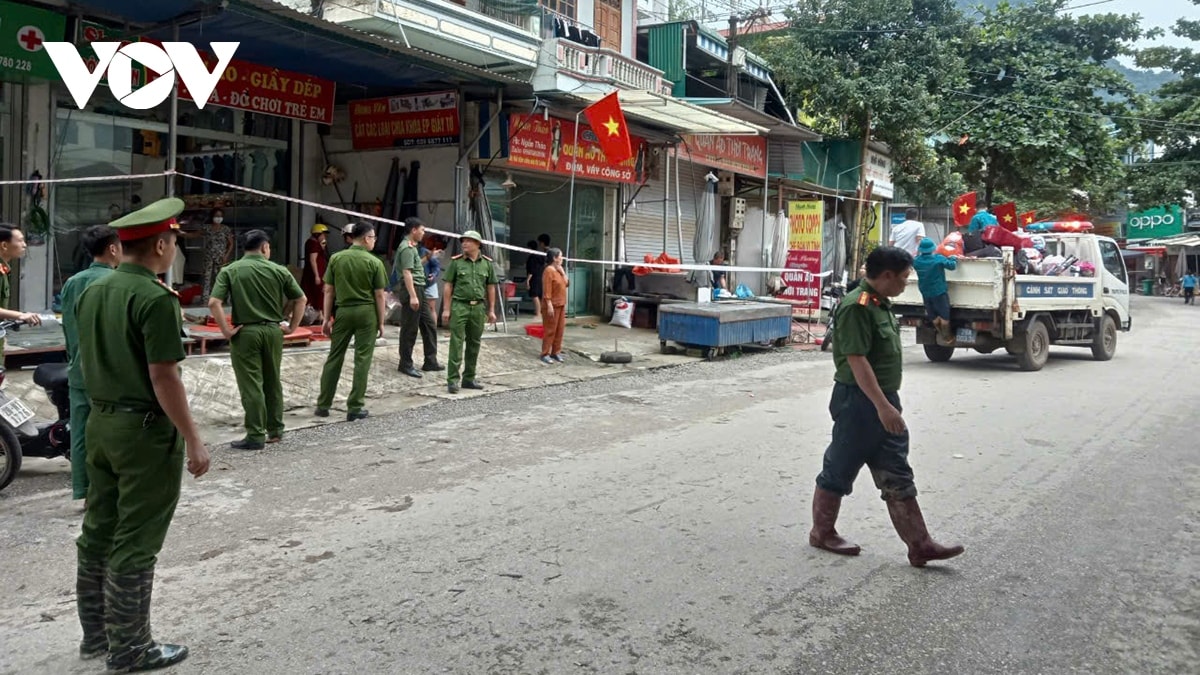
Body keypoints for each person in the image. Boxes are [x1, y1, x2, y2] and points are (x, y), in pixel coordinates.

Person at [74, 197, 211, 671]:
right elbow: (164, 377)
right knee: (136, 537)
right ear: (160, 243)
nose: (173, 250)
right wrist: (192, 437)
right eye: (173, 242)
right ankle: (131, 648)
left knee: (98, 530)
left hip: (99, 424)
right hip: (143, 430)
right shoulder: (153, 298)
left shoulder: (93, 290)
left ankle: (96, 637)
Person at [809, 246, 964, 568]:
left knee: (896, 468)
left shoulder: (879, 304)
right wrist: (882, 407)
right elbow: (857, 360)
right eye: (905, 277)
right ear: (888, 275)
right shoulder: (857, 307)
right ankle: (822, 532)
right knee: (840, 465)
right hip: (860, 401)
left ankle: (920, 544)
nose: (907, 284)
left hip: (882, 400)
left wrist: (887, 405)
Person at [208, 230, 306, 450]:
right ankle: (276, 431)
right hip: (273, 331)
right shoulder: (279, 270)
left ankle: (255, 435)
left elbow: (214, 302)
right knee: (273, 381)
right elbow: (301, 298)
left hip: (246, 333)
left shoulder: (230, 270)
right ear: (264, 248)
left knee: (252, 384)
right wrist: (292, 327)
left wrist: (226, 331)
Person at [60, 225, 121, 503]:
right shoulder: (119, 283)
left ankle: (84, 491)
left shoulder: (73, 283)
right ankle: (105, 492)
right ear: (112, 248)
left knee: (82, 433)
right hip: (110, 373)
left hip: (78, 369)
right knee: (111, 434)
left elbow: (69, 329)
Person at [316, 222, 388, 421]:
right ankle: (355, 406)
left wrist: (327, 317)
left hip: (343, 312)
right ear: (366, 238)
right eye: (373, 238)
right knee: (362, 359)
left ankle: (323, 405)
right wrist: (381, 322)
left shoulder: (336, 259)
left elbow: (328, 290)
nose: (374, 241)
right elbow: (379, 295)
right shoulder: (374, 262)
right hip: (366, 313)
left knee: (334, 357)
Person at [442, 229, 498, 394]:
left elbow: (491, 287)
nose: (464, 243)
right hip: (460, 305)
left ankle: (469, 378)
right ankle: (452, 380)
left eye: (468, 241)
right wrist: (446, 309)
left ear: (478, 244)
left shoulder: (487, 264)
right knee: (456, 343)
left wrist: (492, 310)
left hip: (478, 307)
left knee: (474, 343)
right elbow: (448, 285)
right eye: (463, 241)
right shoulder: (456, 262)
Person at [393, 217, 441, 378]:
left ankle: (430, 361)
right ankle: (405, 364)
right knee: (410, 329)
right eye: (422, 230)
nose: (423, 233)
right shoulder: (406, 248)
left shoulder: (413, 247)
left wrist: (428, 258)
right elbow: (407, 272)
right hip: (413, 290)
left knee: (429, 325)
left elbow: (415, 266)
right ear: (413, 230)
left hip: (420, 289)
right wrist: (413, 296)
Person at [0, 225, 43, 353]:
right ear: (4, 245)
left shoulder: (4, 269)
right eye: (20, 241)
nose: (24, 245)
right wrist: (20, 315)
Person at [912, 237, 957, 343]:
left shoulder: (916, 261)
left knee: (933, 316)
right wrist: (953, 258)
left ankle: (942, 335)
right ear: (933, 249)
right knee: (944, 316)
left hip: (925, 292)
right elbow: (952, 266)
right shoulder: (938, 259)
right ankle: (948, 337)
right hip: (939, 292)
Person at [186, 208, 234, 302]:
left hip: (220, 257)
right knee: (206, 277)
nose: (218, 218)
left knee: (219, 277)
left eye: (220, 216)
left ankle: (221, 298)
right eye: (216, 216)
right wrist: (181, 233)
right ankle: (205, 298)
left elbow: (231, 243)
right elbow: (194, 235)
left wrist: (226, 255)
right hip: (209, 256)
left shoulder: (225, 229)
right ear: (212, 216)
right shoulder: (207, 227)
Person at [540, 247, 569, 364]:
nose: (562, 259)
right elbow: (547, 288)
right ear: (554, 258)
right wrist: (548, 303)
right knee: (550, 329)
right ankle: (545, 353)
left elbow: (566, 283)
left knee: (559, 330)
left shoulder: (558, 270)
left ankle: (556, 352)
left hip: (561, 303)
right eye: (560, 257)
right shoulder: (549, 271)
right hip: (552, 304)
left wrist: (562, 272)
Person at [301, 223, 330, 321]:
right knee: (315, 293)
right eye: (323, 234)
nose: (324, 236)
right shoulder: (313, 244)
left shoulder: (316, 243)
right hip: (315, 273)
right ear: (317, 234)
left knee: (318, 294)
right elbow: (313, 260)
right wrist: (317, 275)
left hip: (318, 272)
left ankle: (320, 315)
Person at [423, 236, 444, 326]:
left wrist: (434, 274)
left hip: (429, 284)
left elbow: (436, 267)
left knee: (431, 308)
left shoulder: (427, 252)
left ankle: (432, 330)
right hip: (415, 283)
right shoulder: (409, 250)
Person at [525, 240, 545, 321]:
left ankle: (538, 313)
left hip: (534, 278)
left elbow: (531, 269)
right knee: (539, 295)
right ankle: (540, 312)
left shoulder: (532, 257)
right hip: (541, 277)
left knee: (534, 295)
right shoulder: (540, 255)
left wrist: (527, 280)